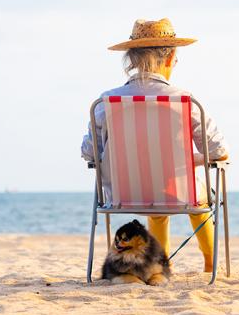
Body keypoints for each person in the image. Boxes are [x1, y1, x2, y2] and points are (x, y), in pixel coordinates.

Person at [82, 18, 229, 272]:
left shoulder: (106, 101)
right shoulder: (184, 100)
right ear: (171, 58)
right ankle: (209, 262)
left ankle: (159, 265)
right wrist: (186, 159)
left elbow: (88, 152)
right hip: (178, 193)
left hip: (122, 195)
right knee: (195, 191)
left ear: (131, 60)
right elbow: (219, 152)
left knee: (156, 198)